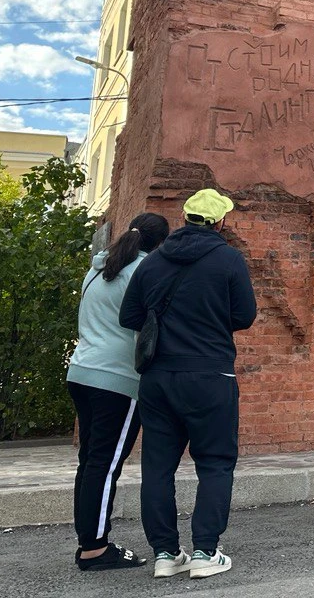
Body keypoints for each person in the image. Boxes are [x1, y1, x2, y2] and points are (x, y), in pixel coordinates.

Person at [120, 189, 256, 579]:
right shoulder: (228, 259)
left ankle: (165, 554)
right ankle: (204, 552)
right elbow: (244, 315)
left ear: (185, 217)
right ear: (220, 221)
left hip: (158, 377)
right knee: (214, 463)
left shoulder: (154, 260)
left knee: (158, 468)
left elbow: (130, 316)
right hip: (211, 375)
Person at [67, 212, 170, 570]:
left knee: (91, 461)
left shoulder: (97, 269)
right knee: (106, 464)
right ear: (159, 243)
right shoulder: (145, 273)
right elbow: (151, 324)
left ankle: (89, 540)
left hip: (81, 371)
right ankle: (94, 548)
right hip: (118, 378)